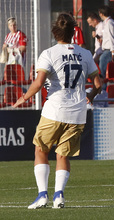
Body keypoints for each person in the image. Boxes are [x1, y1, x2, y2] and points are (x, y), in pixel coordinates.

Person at [12, 13, 102, 209]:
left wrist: (23, 98)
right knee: (63, 155)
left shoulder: (49, 53)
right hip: (78, 112)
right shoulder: (85, 54)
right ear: (73, 32)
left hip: (55, 110)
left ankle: (43, 195)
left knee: (41, 150)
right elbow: (98, 84)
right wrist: (91, 96)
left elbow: (37, 83)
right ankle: (59, 196)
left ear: (55, 32)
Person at [98, 6, 114, 80]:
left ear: (101, 14)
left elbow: (112, 39)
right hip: (108, 49)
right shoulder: (107, 23)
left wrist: (113, 53)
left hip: (109, 50)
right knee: (112, 72)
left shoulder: (109, 23)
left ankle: (103, 88)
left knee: (102, 70)